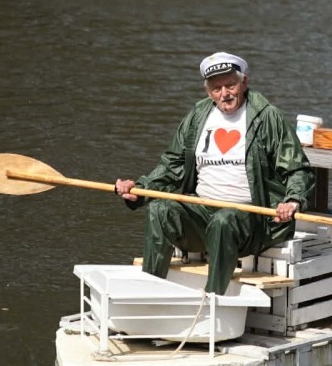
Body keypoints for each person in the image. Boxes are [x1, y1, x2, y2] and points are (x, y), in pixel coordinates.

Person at [115, 52, 315, 295]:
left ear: (244, 83)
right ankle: (149, 292)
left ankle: (212, 299)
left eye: (230, 85)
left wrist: (292, 200)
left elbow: (298, 169)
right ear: (208, 91)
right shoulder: (198, 116)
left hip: (251, 219)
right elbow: (172, 165)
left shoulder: (268, 117)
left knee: (224, 221)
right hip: (202, 212)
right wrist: (140, 189)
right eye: (216, 88)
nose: (225, 93)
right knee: (161, 210)